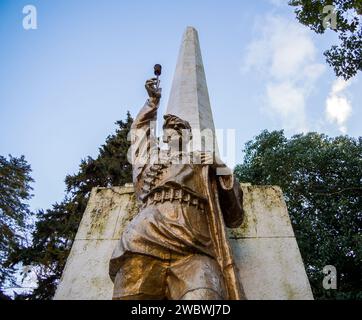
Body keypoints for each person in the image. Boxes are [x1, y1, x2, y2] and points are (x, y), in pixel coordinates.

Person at [109, 78, 244, 300]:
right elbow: (139, 134)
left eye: (180, 130)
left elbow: (234, 215)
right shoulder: (151, 159)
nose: (174, 133)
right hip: (145, 237)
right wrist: (152, 102)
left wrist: (219, 166)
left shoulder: (203, 161)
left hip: (196, 245)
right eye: (170, 129)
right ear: (164, 135)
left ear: (188, 136)